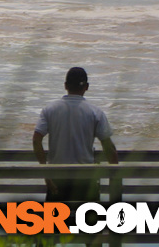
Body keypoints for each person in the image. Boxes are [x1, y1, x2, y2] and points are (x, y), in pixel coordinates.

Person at [32, 67, 118, 203]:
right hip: (85, 180)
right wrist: (114, 177)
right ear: (87, 87)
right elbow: (109, 147)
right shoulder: (95, 112)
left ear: (65, 85)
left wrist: (47, 176)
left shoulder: (50, 110)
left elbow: (37, 140)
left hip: (57, 179)